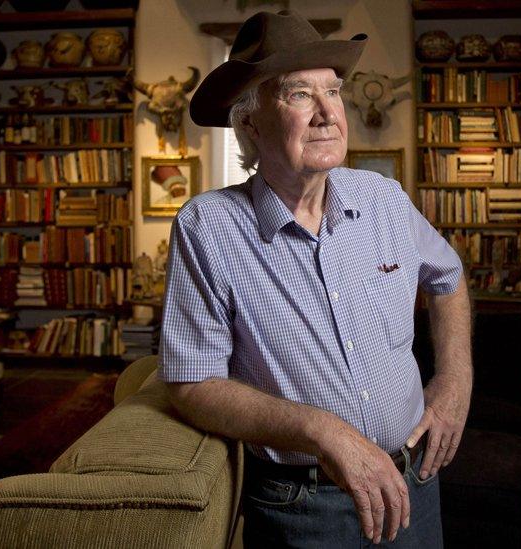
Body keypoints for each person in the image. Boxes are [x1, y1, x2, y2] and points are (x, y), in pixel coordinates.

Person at [158, 10, 472, 548]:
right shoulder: (207, 228)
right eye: (300, 94)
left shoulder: (384, 201)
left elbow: (448, 276)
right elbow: (191, 384)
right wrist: (320, 430)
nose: (329, 113)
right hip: (304, 507)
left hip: (415, 481)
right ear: (251, 122)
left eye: (334, 91)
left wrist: (454, 380)